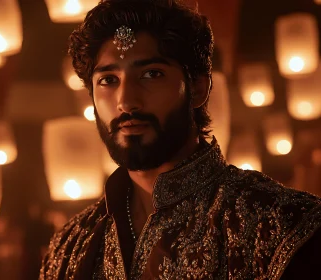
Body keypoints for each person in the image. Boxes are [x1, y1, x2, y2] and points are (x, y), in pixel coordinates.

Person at [39, 0, 321, 279]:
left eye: (151, 74)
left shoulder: (282, 225)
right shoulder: (70, 246)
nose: (126, 101)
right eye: (108, 80)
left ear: (198, 89)